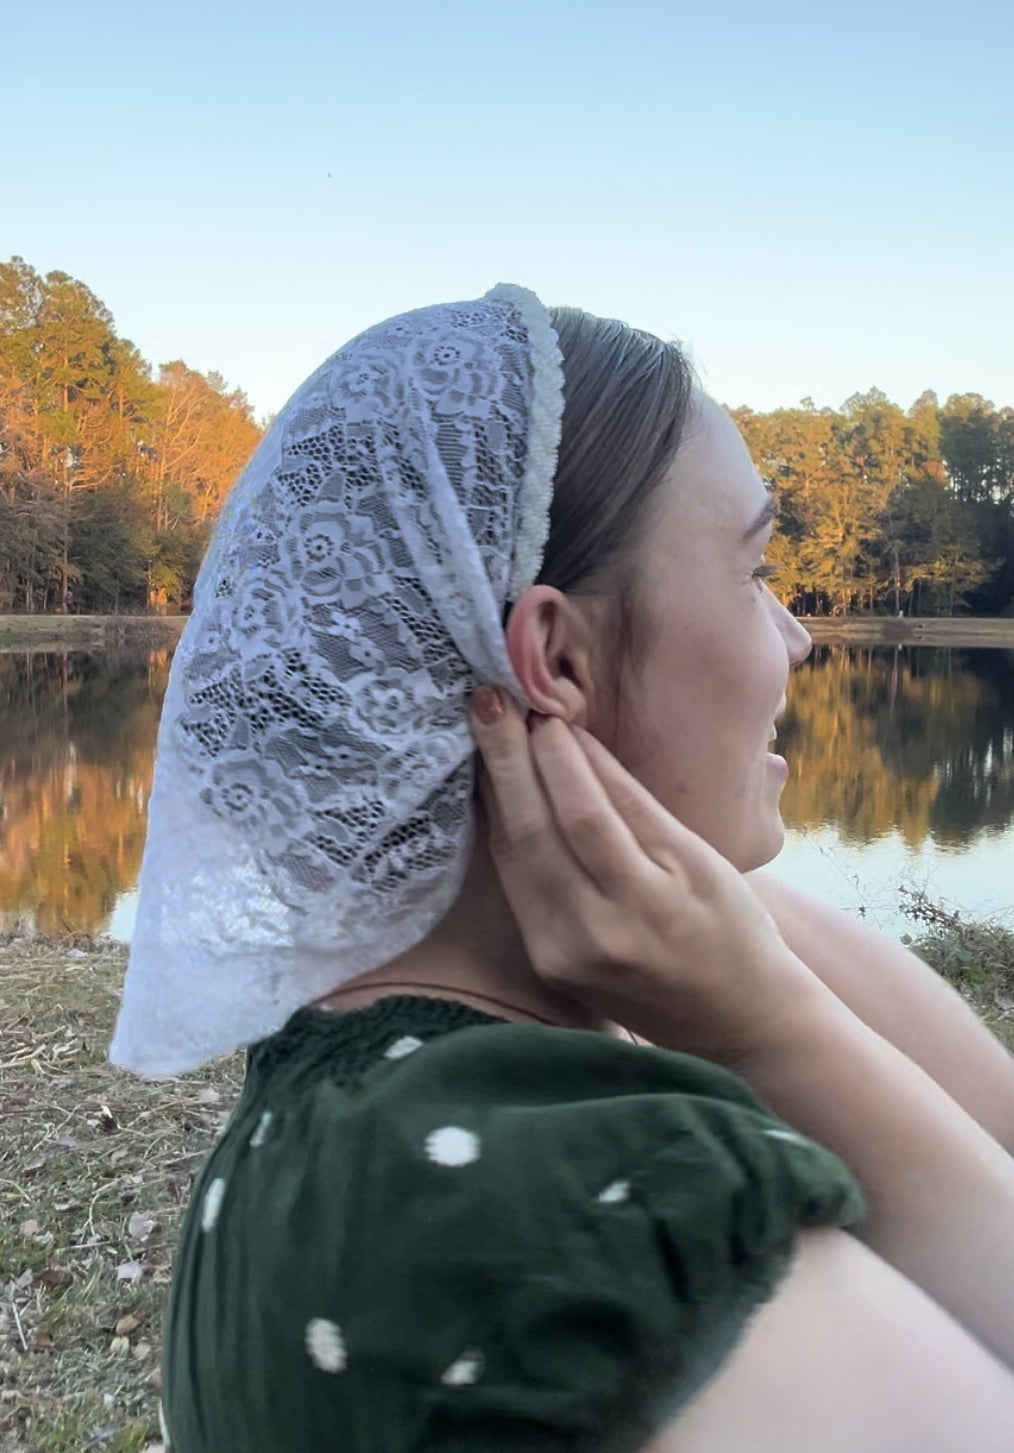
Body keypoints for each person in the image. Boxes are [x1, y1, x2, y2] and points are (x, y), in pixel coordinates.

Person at [110, 287, 1014, 1451]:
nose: (798, 635)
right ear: (559, 659)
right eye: (754, 573)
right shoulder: (593, 1210)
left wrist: (686, 903)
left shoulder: (322, 1104)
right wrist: (776, 1032)